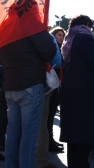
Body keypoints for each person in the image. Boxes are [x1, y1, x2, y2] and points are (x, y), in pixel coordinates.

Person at [0, 0, 56, 168]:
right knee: (29, 138)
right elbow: (49, 51)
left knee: (13, 135)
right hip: (30, 86)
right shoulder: (31, 24)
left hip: (11, 87)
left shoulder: (4, 28)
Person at [59, 14, 94, 168]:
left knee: (74, 139)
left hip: (70, 94)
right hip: (86, 95)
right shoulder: (85, 38)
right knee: (84, 137)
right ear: (87, 24)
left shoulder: (69, 39)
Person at [36, 35, 62, 168]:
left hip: (13, 84)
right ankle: (41, 161)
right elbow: (58, 60)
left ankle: (18, 160)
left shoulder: (11, 31)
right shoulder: (45, 36)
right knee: (41, 124)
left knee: (16, 126)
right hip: (39, 85)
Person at [47, 27, 66, 153]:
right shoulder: (53, 48)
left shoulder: (61, 49)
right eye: (59, 34)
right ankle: (49, 141)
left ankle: (51, 140)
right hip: (50, 84)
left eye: (63, 35)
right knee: (49, 115)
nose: (62, 37)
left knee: (52, 113)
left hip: (56, 84)